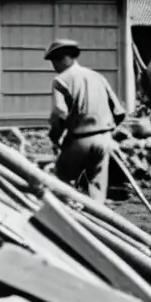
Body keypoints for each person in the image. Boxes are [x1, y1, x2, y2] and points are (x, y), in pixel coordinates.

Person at [45, 39, 126, 203]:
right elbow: (119, 111)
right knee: (96, 185)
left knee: (62, 179)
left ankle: (69, 216)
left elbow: (60, 113)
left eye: (54, 61)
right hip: (104, 139)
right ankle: (97, 218)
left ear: (63, 59)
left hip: (80, 139)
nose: (54, 66)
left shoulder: (61, 80)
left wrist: (55, 136)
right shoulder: (97, 77)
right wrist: (108, 132)